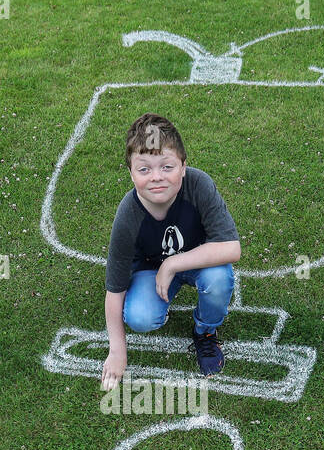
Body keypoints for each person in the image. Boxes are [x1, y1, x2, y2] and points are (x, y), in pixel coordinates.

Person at [101, 113, 242, 388]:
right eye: (144, 169)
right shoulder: (128, 215)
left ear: (184, 167)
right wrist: (117, 350)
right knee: (140, 316)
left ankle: (205, 332)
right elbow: (114, 288)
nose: (156, 178)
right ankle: (162, 301)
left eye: (167, 166)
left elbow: (231, 247)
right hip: (150, 270)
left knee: (218, 280)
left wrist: (172, 264)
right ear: (130, 172)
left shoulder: (199, 185)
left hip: (198, 261)